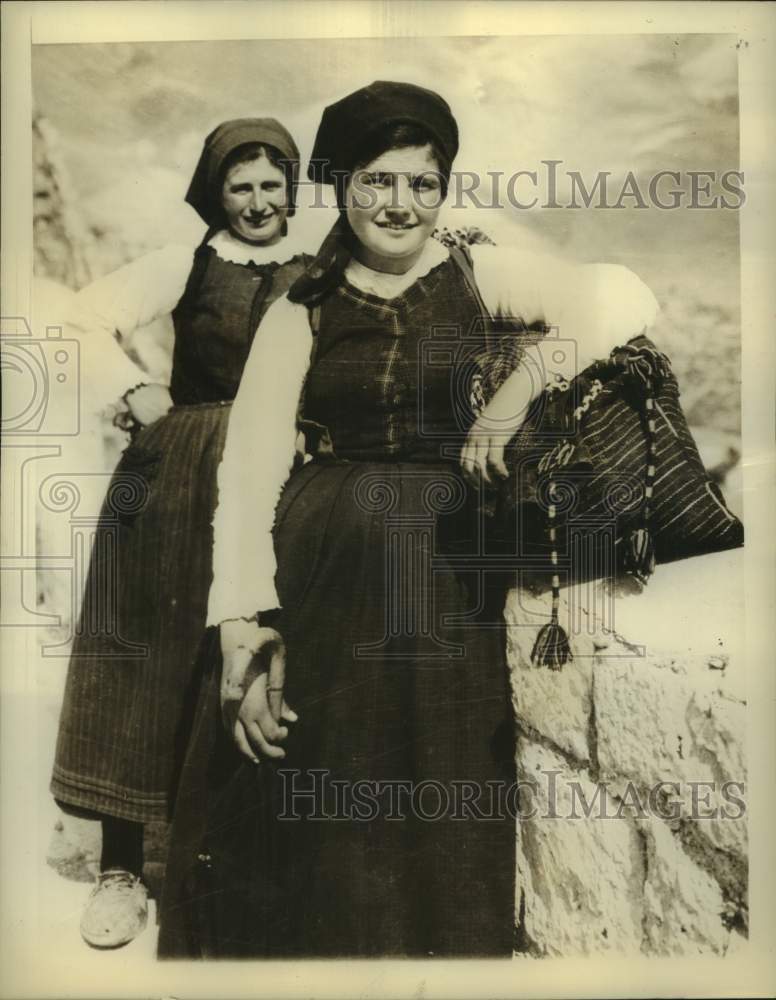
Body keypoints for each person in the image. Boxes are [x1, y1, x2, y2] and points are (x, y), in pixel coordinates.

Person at [157, 82, 660, 958]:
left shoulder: (476, 270)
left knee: (443, 787)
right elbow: (250, 466)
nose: (400, 204)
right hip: (323, 570)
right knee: (308, 790)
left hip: (445, 578)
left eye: (423, 184)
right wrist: (243, 618)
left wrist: (514, 395)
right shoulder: (302, 306)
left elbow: (622, 296)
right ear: (342, 184)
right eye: (378, 181)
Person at [50, 117, 311, 949]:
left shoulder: (318, 272)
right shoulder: (187, 262)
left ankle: (217, 857)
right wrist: (134, 392)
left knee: (246, 653)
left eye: (273, 184)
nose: (259, 202)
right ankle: (122, 868)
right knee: (145, 656)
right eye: (241, 186)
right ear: (215, 192)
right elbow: (77, 317)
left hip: (275, 480)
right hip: (173, 477)